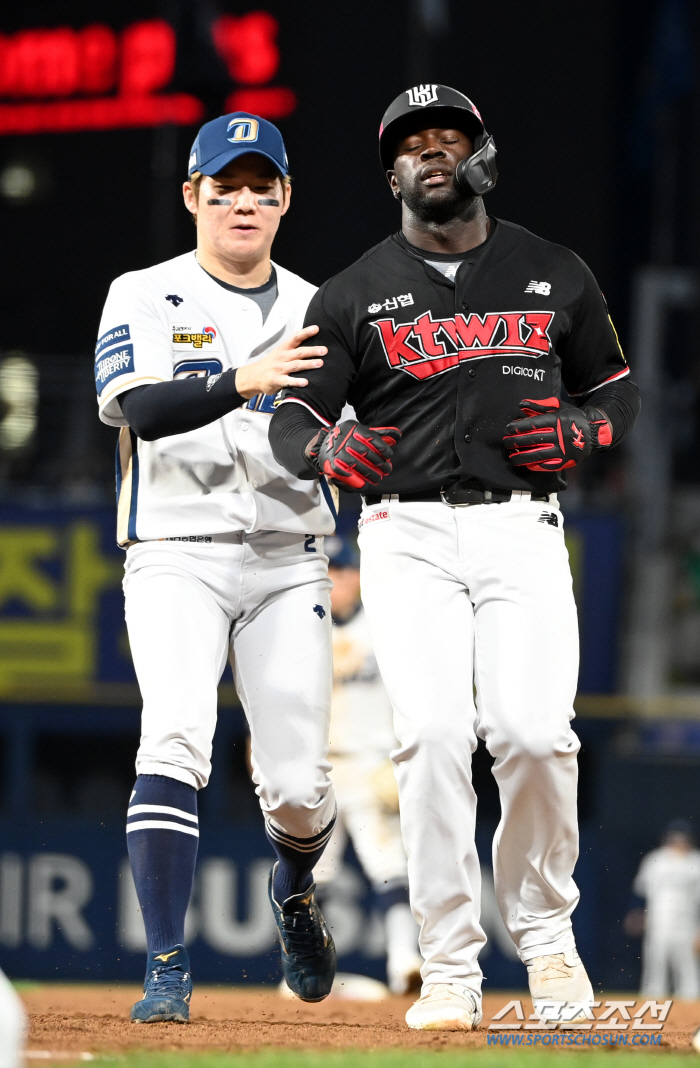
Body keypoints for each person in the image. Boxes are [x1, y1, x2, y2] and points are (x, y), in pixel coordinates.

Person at [269, 85, 640, 1030]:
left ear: (483, 157)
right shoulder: (353, 291)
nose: (431, 151)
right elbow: (290, 419)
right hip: (407, 534)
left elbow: (616, 390)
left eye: (449, 137)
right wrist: (323, 447)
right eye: (412, 144)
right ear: (391, 175)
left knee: (534, 734)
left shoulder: (555, 270)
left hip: (523, 527)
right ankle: (447, 966)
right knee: (431, 738)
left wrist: (589, 429)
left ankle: (547, 938)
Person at [95, 112, 339, 1021]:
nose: (242, 202)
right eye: (224, 186)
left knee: (300, 790)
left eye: (259, 187)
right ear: (192, 195)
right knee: (173, 738)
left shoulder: (325, 306)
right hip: (174, 553)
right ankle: (166, 962)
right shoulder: (142, 292)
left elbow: (353, 433)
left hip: (290, 559)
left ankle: (293, 889)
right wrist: (242, 378)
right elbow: (138, 409)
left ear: (285, 199)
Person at [312, 534, 422, 995]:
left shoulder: (383, 625)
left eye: (344, 571)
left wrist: (404, 757)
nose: (337, 579)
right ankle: (306, 970)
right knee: (311, 874)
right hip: (317, 768)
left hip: (372, 765)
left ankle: (404, 961)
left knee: (389, 865)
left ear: (358, 576)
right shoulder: (304, 627)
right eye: (329, 570)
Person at [627, 820, 700, 999]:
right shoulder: (655, 860)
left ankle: (690, 1011)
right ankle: (651, 1007)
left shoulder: (696, 861)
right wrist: (636, 913)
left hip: (688, 924)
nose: (678, 841)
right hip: (658, 921)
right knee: (655, 968)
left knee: (687, 969)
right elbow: (641, 892)